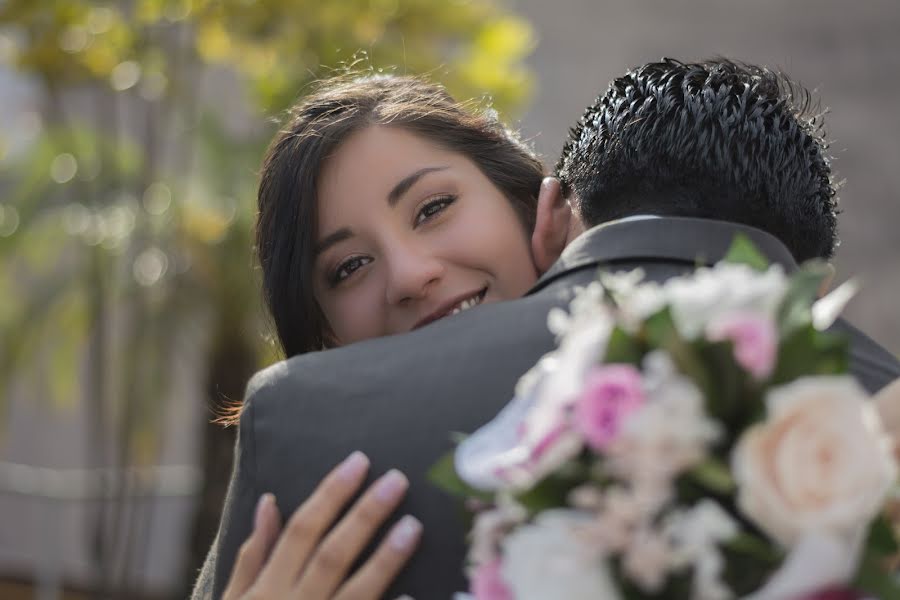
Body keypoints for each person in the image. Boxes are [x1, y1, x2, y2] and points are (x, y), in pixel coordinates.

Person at [196, 59, 900, 599]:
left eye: (434, 207)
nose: (409, 275)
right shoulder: (310, 448)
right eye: (347, 268)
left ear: (540, 210)